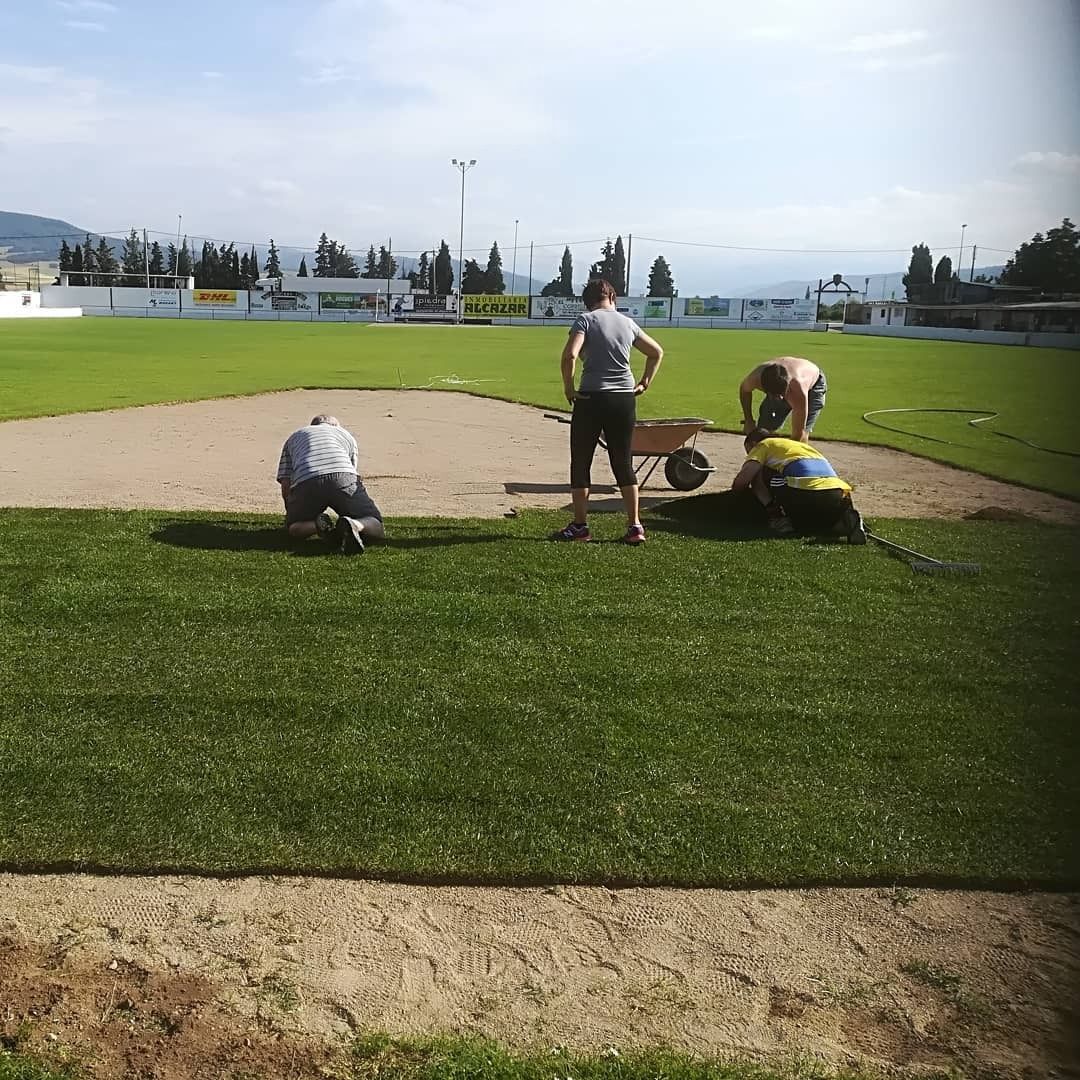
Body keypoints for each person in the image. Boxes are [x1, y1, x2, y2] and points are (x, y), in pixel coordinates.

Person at [553, 278, 665, 544]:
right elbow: (656, 352)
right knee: (623, 461)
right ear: (613, 297)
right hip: (624, 398)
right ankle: (635, 526)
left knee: (581, 461)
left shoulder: (586, 320)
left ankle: (581, 526)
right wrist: (645, 382)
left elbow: (570, 355)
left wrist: (569, 388)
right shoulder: (628, 323)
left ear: (588, 301)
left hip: (591, 397)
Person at [731, 428, 866, 542]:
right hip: (837, 494)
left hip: (803, 492)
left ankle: (780, 519)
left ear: (754, 443)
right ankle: (844, 520)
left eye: (748, 451)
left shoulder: (764, 444)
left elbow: (741, 482)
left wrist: (735, 501)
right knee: (817, 525)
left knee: (758, 474)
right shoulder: (802, 447)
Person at [276, 415, 385, 554]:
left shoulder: (295, 437)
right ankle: (356, 525)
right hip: (343, 476)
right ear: (336, 426)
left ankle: (318, 526)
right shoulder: (345, 434)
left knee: (294, 528)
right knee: (375, 522)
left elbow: (285, 481)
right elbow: (352, 473)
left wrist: (291, 512)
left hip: (307, 479)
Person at [739, 356, 826, 442]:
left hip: (814, 386)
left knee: (802, 436)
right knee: (764, 429)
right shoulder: (755, 378)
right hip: (783, 383)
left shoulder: (798, 389)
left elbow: (798, 433)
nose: (781, 398)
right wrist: (748, 420)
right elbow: (744, 391)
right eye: (776, 395)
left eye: (782, 394)